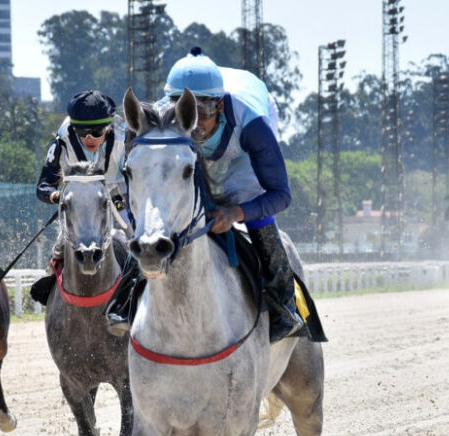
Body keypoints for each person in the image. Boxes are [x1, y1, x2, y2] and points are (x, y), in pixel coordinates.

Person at [104, 47, 303, 342]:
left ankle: (283, 302)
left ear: (220, 107)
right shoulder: (155, 120)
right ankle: (126, 297)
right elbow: (136, 183)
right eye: (185, 114)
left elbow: (280, 194)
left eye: (203, 113)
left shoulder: (253, 126)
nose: (194, 126)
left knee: (240, 193)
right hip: (191, 145)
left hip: (241, 144)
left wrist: (237, 213)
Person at [31, 90, 128, 302]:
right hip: (77, 199)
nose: (89, 138)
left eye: (96, 131)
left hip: (115, 193)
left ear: (109, 126)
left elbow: (137, 179)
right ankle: (50, 283)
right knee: (61, 243)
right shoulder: (63, 138)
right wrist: (58, 197)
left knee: (133, 234)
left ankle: (139, 291)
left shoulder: (125, 137)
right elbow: (43, 186)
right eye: (82, 132)